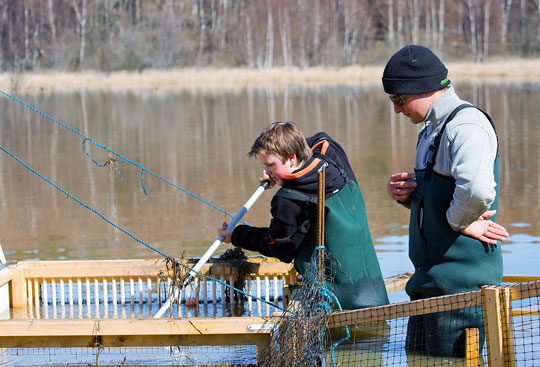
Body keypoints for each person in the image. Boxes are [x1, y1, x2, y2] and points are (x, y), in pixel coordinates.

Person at [382, 45, 510, 357]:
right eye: (392, 101)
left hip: (460, 289)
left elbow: (479, 191)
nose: (397, 109)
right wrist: (408, 196)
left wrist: (460, 221)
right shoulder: (431, 129)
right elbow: (441, 198)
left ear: (423, 89)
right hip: (429, 286)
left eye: (399, 99)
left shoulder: (466, 126)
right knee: (417, 359)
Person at [218, 121, 389, 310]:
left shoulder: (288, 201)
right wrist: (280, 172)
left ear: (292, 158)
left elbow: (279, 247)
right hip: (374, 294)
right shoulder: (331, 155)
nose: (266, 172)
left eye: (270, 165)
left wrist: (236, 235)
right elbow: (319, 138)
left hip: (334, 303)